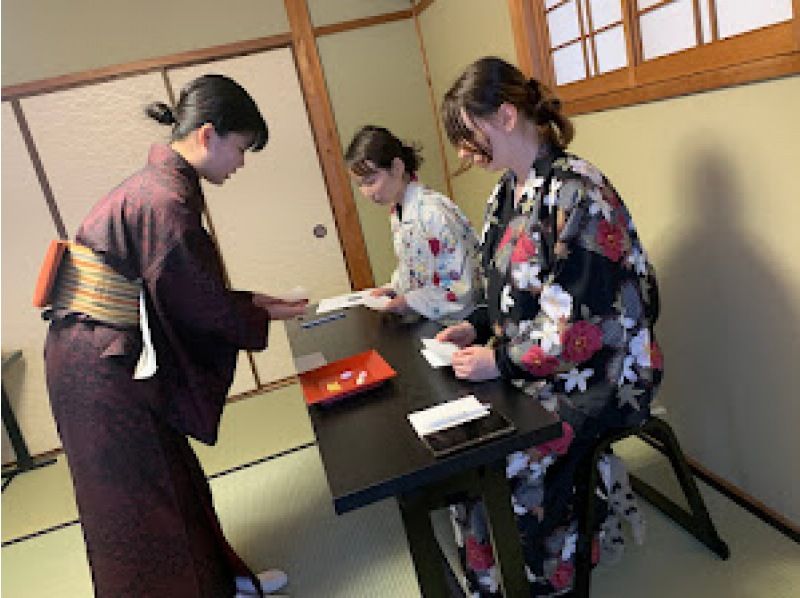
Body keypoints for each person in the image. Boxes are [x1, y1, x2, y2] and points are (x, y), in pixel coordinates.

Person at [43, 74, 306, 597]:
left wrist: (251, 304)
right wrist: (258, 315)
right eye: (240, 148)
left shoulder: (159, 187)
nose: (241, 163)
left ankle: (224, 580)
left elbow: (183, 290)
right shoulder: (165, 199)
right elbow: (196, 303)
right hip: (100, 367)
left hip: (99, 354)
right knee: (144, 500)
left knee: (171, 479)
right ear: (207, 135)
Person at [436, 57, 662, 595]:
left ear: (506, 116)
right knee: (463, 450)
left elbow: (581, 329)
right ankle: (493, 578)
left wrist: (500, 360)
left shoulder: (579, 192)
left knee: (503, 459)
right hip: (539, 363)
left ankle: (541, 576)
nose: (465, 153)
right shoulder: (505, 193)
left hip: (602, 373)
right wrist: (474, 324)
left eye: (469, 136)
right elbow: (506, 289)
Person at [345, 125, 480, 322]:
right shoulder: (398, 210)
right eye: (360, 185)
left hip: (458, 323)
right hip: (428, 316)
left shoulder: (433, 212)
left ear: (397, 167)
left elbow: (463, 284)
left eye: (371, 181)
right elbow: (412, 267)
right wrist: (393, 288)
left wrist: (410, 301)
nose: (367, 192)